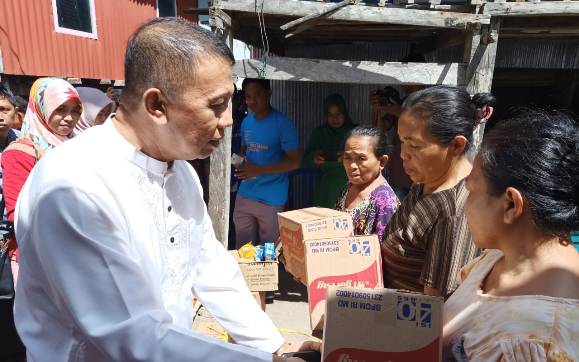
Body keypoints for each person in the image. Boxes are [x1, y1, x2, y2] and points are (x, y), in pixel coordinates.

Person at [13, 19, 312, 361]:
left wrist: (273, 345)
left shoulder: (181, 171)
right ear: (156, 105)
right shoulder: (74, 186)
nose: (228, 120)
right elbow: (132, 336)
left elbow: (211, 268)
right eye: (216, 104)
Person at [443, 109, 579, 361]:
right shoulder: (497, 258)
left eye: (472, 191)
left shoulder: (537, 340)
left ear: (510, 204)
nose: (465, 205)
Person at [381, 85, 486, 298]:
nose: (403, 154)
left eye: (415, 146)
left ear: (456, 145)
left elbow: (435, 310)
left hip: (407, 327)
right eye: (402, 141)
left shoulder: (454, 212)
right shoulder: (425, 183)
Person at [2, 77, 83, 285]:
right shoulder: (21, 152)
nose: (69, 118)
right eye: (60, 109)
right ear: (41, 108)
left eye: (75, 110)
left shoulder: (79, 148)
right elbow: (18, 214)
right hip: (37, 257)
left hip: (78, 252)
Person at [233, 78, 301, 248]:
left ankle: (267, 275)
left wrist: (258, 170)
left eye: (257, 95)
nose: (252, 101)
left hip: (271, 198)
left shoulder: (283, 124)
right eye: (248, 97)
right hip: (245, 194)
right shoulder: (246, 121)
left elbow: (295, 162)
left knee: (268, 253)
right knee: (243, 250)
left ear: (269, 92)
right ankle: (244, 276)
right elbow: (245, 148)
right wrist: (239, 160)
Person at [335, 126, 399, 241]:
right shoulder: (349, 186)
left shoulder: (385, 203)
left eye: (361, 158)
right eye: (347, 157)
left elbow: (384, 252)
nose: (352, 166)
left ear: (382, 161)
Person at [302, 93, 355, 208]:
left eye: (338, 114)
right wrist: (313, 157)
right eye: (330, 114)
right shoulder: (319, 133)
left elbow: (368, 156)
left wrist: (349, 156)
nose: (334, 118)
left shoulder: (355, 133)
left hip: (349, 185)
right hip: (325, 188)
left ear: (344, 113)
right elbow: (304, 160)